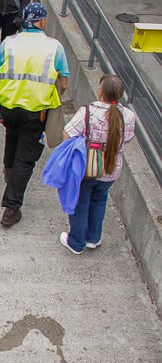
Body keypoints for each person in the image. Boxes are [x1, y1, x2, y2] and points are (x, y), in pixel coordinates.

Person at [0, 2, 69, 227]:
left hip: (9, 107)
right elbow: (63, 83)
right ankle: (11, 209)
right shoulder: (55, 47)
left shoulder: (9, 43)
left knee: (11, 139)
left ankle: (9, 173)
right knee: (26, 157)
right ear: (42, 22)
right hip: (36, 111)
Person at [59, 75, 135, 253]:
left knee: (81, 202)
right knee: (100, 200)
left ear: (101, 92)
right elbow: (128, 138)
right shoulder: (129, 116)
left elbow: (68, 134)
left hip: (87, 168)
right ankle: (93, 238)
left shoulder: (88, 112)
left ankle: (76, 242)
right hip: (111, 169)